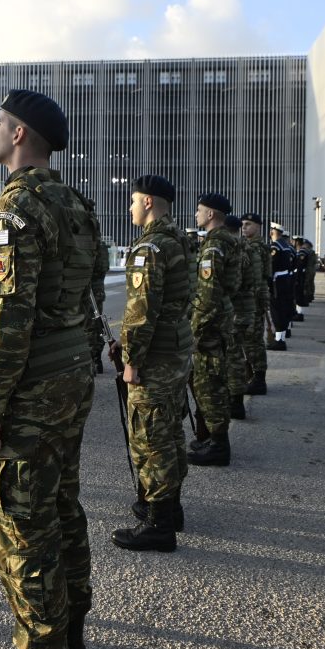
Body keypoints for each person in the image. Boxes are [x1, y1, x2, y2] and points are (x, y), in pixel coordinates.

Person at [0, 89, 99, 649]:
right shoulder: (76, 206)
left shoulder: (12, 211)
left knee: (24, 528)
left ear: (19, 134)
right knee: (62, 507)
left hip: (32, 389)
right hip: (71, 379)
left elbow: (2, 319)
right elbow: (91, 293)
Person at [110, 174, 194, 552]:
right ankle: (170, 507)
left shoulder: (151, 247)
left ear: (147, 202)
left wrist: (131, 359)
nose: (130, 207)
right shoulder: (179, 240)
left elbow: (141, 313)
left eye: (133, 200)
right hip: (175, 354)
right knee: (171, 432)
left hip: (156, 358)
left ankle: (159, 523)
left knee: (151, 438)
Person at [187, 193, 239, 467]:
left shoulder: (214, 247)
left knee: (209, 384)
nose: (196, 215)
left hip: (211, 325)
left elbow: (208, 297)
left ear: (211, 214)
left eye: (199, 210)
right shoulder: (226, 242)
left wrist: (194, 332)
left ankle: (219, 445)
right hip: (221, 320)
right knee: (210, 381)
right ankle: (211, 438)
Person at [223, 214, 254, 419]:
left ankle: (236, 401)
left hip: (236, 312)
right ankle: (236, 397)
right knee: (237, 356)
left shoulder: (235, 250)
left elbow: (232, 285)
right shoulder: (245, 248)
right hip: (243, 310)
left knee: (233, 358)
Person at [239, 212, 272, 395]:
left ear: (258, 227)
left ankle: (259, 379)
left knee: (253, 341)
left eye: (248, 224)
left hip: (253, 300)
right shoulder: (248, 245)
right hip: (250, 300)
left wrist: (258, 303)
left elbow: (259, 279)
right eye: (243, 224)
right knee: (247, 340)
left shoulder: (257, 248)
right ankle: (251, 375)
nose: (244, 227)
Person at [85, 231, 111, 373]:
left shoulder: (90, 247)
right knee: (97, 325)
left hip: (89, 290)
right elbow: (104, 268)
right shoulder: (102, 247)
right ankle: (96, 359)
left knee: (89, 326)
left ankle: (92, 360)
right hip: (98, 290)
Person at [267, 222, 296, 349]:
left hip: (277, 281)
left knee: (276, 310)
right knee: (283, 308)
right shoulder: (286, 245)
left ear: (273, 232)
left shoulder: (275, 246)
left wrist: (268, 282)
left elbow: (271, 266)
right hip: (286, 279)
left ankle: (279, 341)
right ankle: (281, 337)